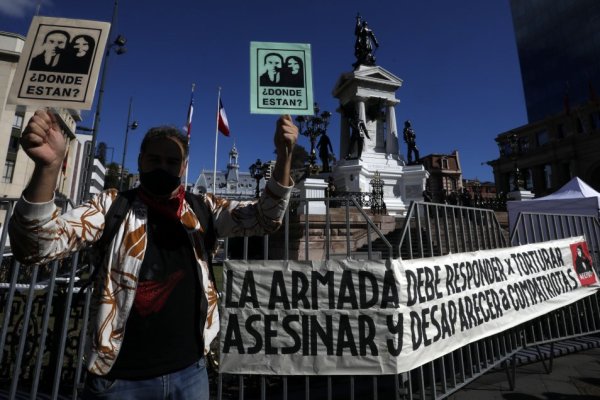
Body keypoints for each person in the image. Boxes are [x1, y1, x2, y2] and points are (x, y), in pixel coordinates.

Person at [8, 109, 298, 400]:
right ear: (140, 161)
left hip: (190, 372)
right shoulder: (113, 207)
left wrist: (284, 157)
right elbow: (35, 247)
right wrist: (49, 168)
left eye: (172, 162)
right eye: (154, 160)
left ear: (183, 167)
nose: (163, 168)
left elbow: (265, 218)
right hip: (121, 379)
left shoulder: (202, 209)